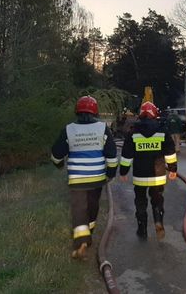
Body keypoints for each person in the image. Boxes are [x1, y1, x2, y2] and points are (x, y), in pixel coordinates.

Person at [51, 96, 118, 260]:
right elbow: (111, 155)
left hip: (77, 179)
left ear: (77, 111)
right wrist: (110, 174)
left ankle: (81, 242)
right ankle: (89, 233)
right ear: (95, 111)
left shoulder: (69, 130)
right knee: (93, 206)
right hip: (97, 178)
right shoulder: (102, 128)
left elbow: (56, 154)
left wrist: (59, 165)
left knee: (79, 209)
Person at [119, 101, 177, 239]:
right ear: (155, 114)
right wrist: (173, 169)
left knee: (140, 201)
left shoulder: (133, 132)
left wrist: (123, 172)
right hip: (158, 175)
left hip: (140, 176)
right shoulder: (163, 131)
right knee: (157, 200)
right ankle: (158, 221)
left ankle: (142, 230)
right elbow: (170, 153)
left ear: (141, 114)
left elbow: (127, 155)